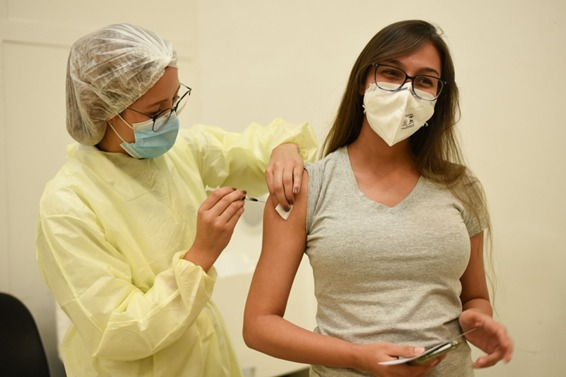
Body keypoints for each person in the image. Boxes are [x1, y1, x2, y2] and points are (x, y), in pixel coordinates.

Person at [35, 23, 317, 377]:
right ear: (103, 110)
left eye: (174, 102)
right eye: (155, 112)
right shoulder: (68, 205)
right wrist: (201, 255)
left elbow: (258, 146)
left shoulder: (180, 152)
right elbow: (118, 331)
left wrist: (285, 149)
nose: (170, 120)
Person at [243, 19, 513, 377]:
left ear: (438, 97)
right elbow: (259, 326)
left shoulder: (460, 186)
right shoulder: (305, 186)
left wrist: (479, 321)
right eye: (390, 73)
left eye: (425, 81)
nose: (406, 92)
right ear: (362, 82)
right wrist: (357, 357)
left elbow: (474, 297)